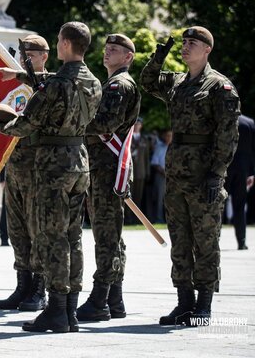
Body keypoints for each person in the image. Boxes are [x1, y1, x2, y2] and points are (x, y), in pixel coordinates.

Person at [0, 21, 102, 333]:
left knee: (50, 237)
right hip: (79, 160)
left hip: (53, 165)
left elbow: (27, 123)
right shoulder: (94, 83)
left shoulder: (55, 86)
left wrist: (1, 129)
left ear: (64, 44)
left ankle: (56, 308)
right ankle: (70, 309)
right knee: (74, 237)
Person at [140, 26, 240, 326]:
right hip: (176, 172)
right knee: (179, 239)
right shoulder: (178, 81)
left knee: (205, 240)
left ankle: (204, 304)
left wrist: (217, 174)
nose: (185, 47)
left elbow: (228, 136)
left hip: (203, 173)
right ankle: (184, 302)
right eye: (183, 42)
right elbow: (147, 82)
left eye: (191, 43)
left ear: (207, 49)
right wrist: (161, 53)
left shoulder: (219, 87)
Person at [77, 33, 140, 322]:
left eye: (114, 50)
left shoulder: (119, 84)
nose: (107, 53)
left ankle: (100, 298)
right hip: (103, 168)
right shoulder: (112, 83)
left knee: (106, 236)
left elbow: (105, 123)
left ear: (128, 57)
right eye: (106, 49)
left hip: (107, 169)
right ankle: (115, 300)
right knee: (111, 235)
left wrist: (74, 119)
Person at [0, 34, 53, 312]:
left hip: (38, 167)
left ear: (44, 56)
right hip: (16, 166)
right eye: (21, 52)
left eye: (31, 53)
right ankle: (23, 284)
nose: (24, 57)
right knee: (17, 231)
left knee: (36, 230)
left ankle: (40, 288)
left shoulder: (48, 85)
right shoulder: (17, 87)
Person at [225, 115, 255, 250]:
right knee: (240, 205)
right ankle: (241, 242)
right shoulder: (249, 123)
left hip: (224, 166)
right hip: (243, 169)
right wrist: (252, 172)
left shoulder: (222, 119)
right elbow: (253, 150)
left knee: (217, 205)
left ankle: (215, 240)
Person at [125, 117, 150, 224]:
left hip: (141, 172)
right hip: (130, 172)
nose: (136, 126)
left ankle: (136, 220)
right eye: (135, 125)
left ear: (141, 126)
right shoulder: (128, 138)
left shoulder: (144, 139)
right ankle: (128, 218)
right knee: (129, 196)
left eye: (138, 124)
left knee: (138, 197)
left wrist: (147, 172)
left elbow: (146, 158)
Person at [150, 129, 172, 223]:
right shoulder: (159, 147)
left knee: (172, 200)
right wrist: (164, 172)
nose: (169, 138)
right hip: (161, 176)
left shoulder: (176, 148)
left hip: (174, 177)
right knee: (159, 199)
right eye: (167, 135)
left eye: (170, 136)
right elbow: (154, 163)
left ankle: (171, 219)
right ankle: (159, 219)